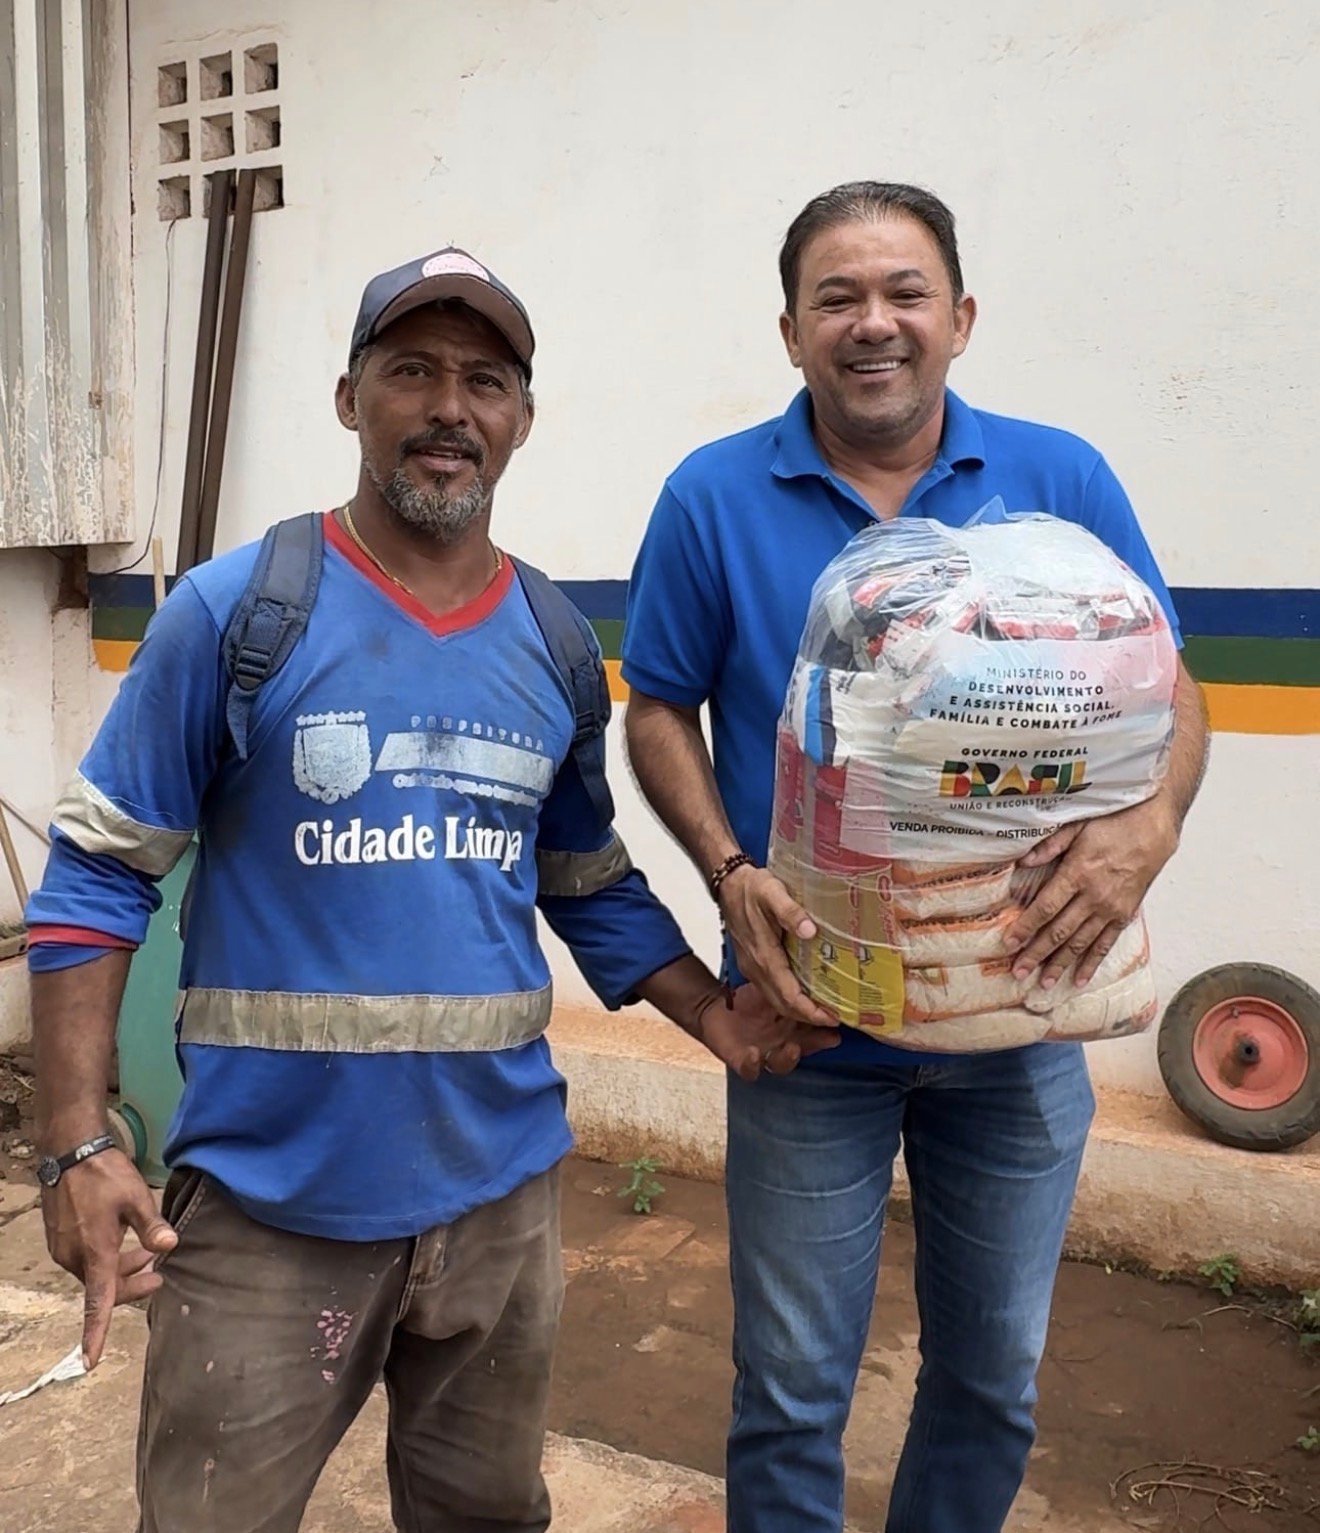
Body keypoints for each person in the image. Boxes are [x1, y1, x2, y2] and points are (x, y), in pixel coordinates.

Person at [25, 246, 834, 1533]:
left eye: (485, 379)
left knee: (486, 1518)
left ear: (521, 416)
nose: (450, 407)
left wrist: (716, 1014)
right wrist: (74, 1138)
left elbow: (586, 877)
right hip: (270, 1215)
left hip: (499, 1206)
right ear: (351, 399)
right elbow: (97, 869)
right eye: (412, 372)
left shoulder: (558, 645)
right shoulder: (243, 613)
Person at [622, 183, 1208, 1533]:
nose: (871, 322)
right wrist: (725, 867)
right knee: (788, 1384)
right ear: (790, 331)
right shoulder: (713, 494)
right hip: (808, 1019)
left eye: (902, 292)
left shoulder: (1060, 477)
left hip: (1020, 1012)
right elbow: (656, 704)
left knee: (993, 1379)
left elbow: (1171, 690)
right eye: (838, 297)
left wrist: (1150, 828)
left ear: (960, 317)